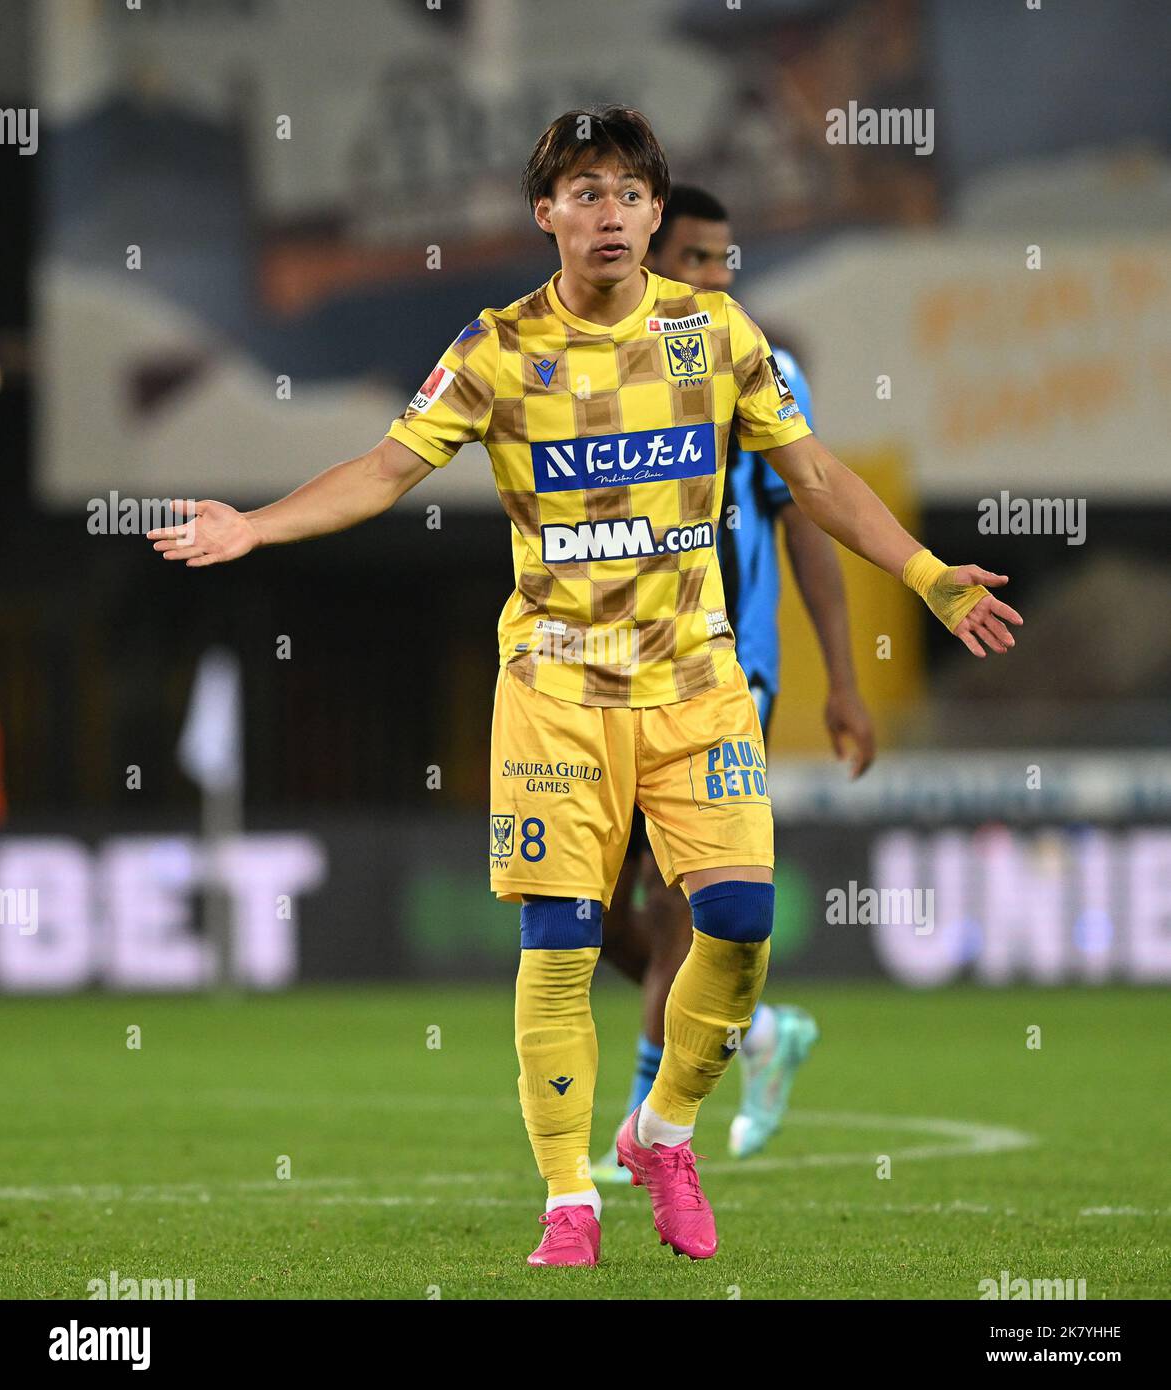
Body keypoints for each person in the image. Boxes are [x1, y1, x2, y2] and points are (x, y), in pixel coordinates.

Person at [147, 105, 1022, 1270]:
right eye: (582, 191)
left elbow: (809, 473)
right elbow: (383, 469)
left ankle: (662, 1135)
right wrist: (253, 527)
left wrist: (921, 574)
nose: (606, 212)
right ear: (544, 213)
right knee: (559, 944)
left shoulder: (713, 334)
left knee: (740, 923)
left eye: (626, 192)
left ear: (655, 214)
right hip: (557, 689)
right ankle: (567, 1195)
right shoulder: (495, 349)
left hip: (696, 683)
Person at [592, 185, 875, 1182]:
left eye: (726, 261)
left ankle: (643, 1137)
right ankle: (755, 1033)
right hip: (611, 681)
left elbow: (810, 528)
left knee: (680, 915)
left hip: (724, 677)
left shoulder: (756, 364)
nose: (716, 278)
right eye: (699, 259)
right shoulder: (597, 361)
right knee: (587, 913)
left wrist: (841, 682)